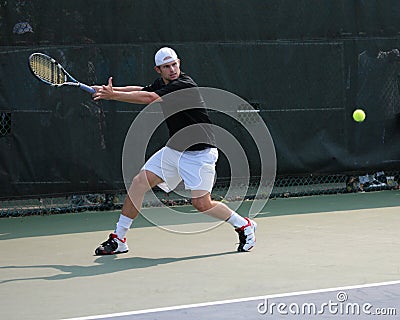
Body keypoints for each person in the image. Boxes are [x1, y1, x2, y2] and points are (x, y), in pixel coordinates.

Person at [92, 47, 256, 255]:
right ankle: (119, 239)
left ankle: (244, 225)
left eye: (174, 65)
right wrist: (108, 91)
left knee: (201, 203)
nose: (172, 70)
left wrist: (113, 95)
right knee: (139, 182)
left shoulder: (184, 84)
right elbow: (142, 89)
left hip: (200, 154)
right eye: (166, 67)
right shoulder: (162, 83)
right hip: (174, 150)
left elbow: (149, 98)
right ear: (158, 69)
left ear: (179, 63)